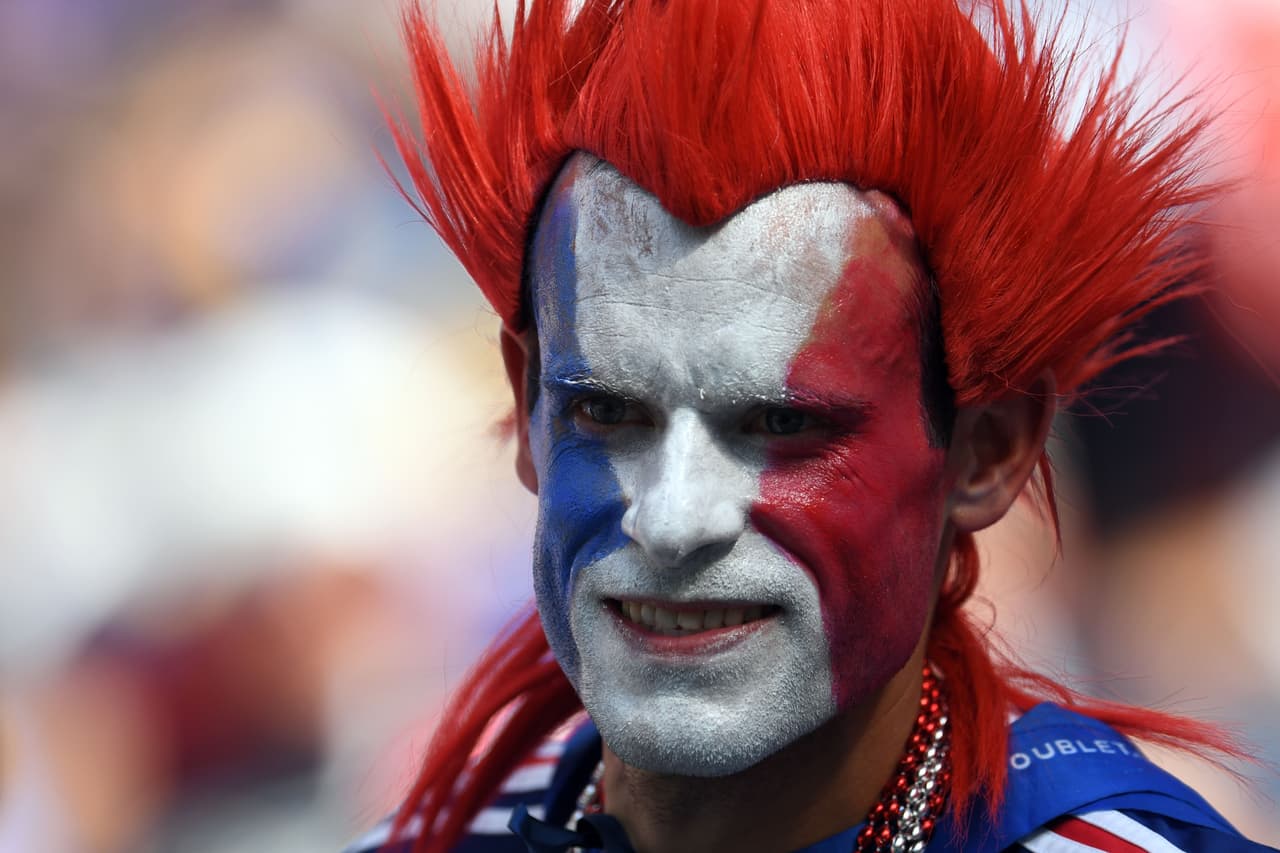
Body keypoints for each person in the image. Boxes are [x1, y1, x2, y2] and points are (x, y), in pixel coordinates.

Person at [347, 0, 1277, 850]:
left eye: (779, 421)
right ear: (528, 407)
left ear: (987, 450)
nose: (671, 519)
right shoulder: (438, 836)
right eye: (607, 410)